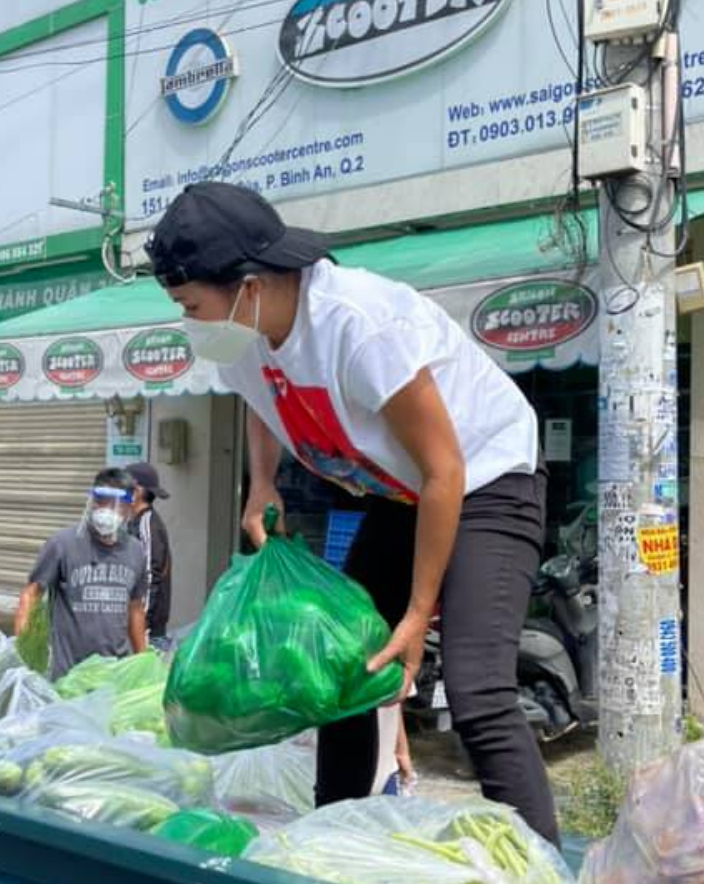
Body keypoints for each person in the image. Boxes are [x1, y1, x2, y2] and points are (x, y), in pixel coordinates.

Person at [147, 181, 558, 845]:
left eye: (192, 304)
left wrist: (418, 616)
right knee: (339, 662)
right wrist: (261, 483)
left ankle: (543, 878)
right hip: (399, 493)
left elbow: (445, 470)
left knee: (478, 691)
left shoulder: (358, 325)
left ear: (249, 284)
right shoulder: (247, 332)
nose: (189, 320)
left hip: (484, 480)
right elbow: (260, 398)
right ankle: (330, 846)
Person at [16, 468, 148, 678]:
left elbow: (135, 609)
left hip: (114, 673)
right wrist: (24, 653)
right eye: (101, 501)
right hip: (68, 675)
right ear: (92, 501)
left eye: (115, 504)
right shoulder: (62, 544)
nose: (106, 509)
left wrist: (142, 661)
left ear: (129, 507)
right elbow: (31, 595)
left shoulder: (135, 551)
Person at [127, 461, 173, 644]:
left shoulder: (147, 524)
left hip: (146, 633)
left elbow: (150, 576)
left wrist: (140, 625)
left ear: (136, 492)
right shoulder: (135, 522)